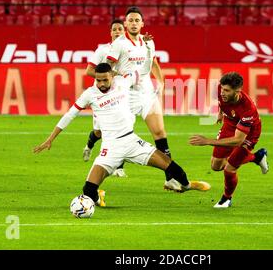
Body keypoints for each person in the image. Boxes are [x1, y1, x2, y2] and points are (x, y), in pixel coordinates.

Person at [33, 63, 210, 208]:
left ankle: (187, 186)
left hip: (131, 141)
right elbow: (69, 115)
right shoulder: (89, 94)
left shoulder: (122, 82)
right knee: (88, 191)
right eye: (98, 80)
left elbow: (142, 69)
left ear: (112, 76)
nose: (101, 84)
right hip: (110, 147)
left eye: (105, 80)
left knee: (172, 168)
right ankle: (97, 198)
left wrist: (146, 47)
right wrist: (50, 139)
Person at [105, 6, 177, 188]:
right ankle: (107, 171)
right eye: (130, 20)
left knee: (160, 133)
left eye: (137, 20)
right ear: (126, 23)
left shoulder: (149, 43)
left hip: (145, 93)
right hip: (125, 96)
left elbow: (152, 63)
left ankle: (170, 177)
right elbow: (107, 68)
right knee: (120, 135)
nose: (134, 23)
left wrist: (161, 82)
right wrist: (117, 81)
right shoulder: (119, 44)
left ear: (142, 24)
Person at [189, 72, 268, 209]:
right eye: (222, 89)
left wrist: (208, 141)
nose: (222, 93)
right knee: (216, 166)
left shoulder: (247, 109)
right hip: (230, 123)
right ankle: (257, 157)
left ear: (237, 91)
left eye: (226, 90)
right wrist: (220, 114)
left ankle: (226, 199)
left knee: (229, 169)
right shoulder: (222, 93)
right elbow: (222, 102)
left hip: (248, 134)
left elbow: (237, 140)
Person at [83, 19, 127, 178]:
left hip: (121, 95)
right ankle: (89, 145)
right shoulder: (103, 50)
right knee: (100, 132)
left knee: (121, 128)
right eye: (114, 29)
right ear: (110, 32)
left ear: (125, 31)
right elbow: (89, 71)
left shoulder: (129, 50)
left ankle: (119, 166)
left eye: (120, 29)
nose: (117, 32)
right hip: (102, 96)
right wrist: (106, 77)